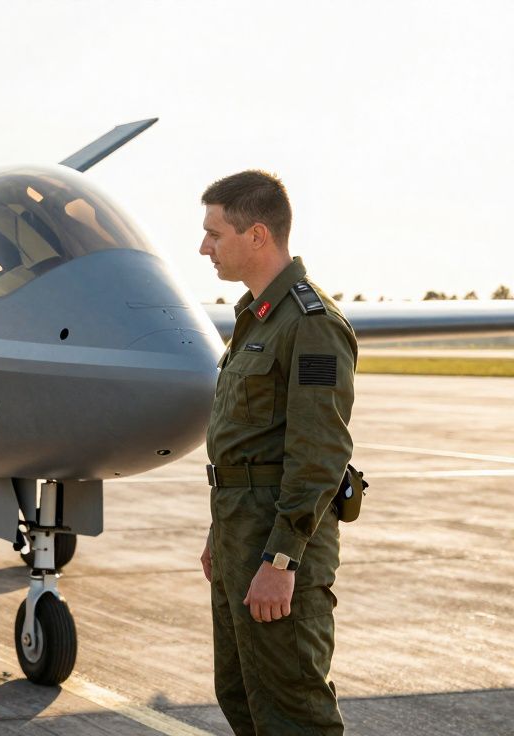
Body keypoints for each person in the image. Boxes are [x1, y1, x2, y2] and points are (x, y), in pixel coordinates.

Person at [197, 170, 357, 735]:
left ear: (257, 234)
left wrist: (282, 559)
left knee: (293, 711)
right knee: (241, 695)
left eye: (215, 233)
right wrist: (221, 532)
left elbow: (319, 452)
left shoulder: (310, 325)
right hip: (241, 534)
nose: (204, 247)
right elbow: (244, 443)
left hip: (278, 545)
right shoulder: (254, 319)